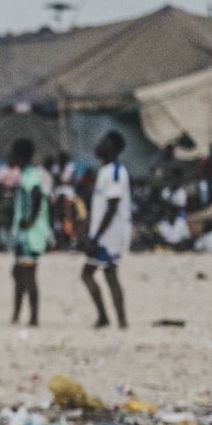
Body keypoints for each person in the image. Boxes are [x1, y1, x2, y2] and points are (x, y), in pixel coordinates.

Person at [82, 130, 132, 330]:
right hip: (104, 234)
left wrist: (96, 237)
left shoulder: (115, 172)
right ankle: (115, 319)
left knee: (93, 273)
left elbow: (112, 208)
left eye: (103, 141)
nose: (98, 145)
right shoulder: (104, 171)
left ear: (112, 147)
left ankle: (113, 319)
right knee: (107, 273)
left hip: (110, 235)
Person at [8, 137, 50, 327]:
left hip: (31, 236)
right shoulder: (26, 175)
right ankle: (17, 314)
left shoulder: (31, 177)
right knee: (18, 274)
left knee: (28, 275)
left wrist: (30, 219)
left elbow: (36, 195)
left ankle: (33, 317)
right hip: (24, 235)